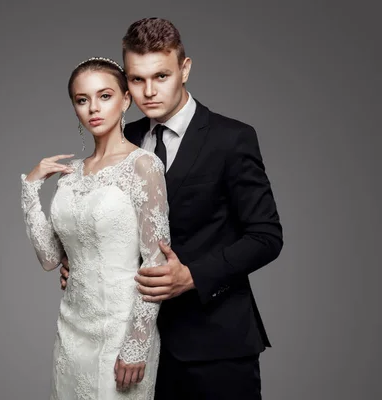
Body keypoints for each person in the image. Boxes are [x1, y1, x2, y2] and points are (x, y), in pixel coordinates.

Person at [60, 18, 283, 399]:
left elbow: (266, 237)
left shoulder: (231, 138)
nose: (148, 92)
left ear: (185, 69)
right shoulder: (123, 137)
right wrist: (81, 262)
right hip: (134, 348)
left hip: (214, 345)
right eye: (136, 79)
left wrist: (192, 276)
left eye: (160, 76)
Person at [21, 57, 170, 399]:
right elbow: (49, 258)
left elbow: (156, 262)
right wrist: (30, 189)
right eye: (82, 99)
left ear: (125, 100)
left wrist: (137, 343)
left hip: (122, 327)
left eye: (104, 96)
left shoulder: (143, 166)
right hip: (72, 327)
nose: (93, 108)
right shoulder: (71, 174)